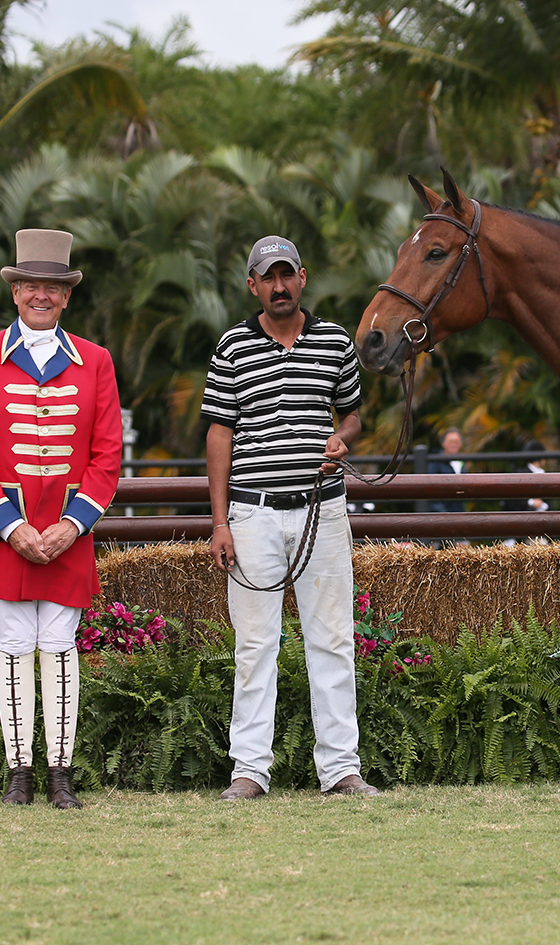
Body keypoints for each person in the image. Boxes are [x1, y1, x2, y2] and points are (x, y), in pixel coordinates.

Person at [0, 229, 122, 809]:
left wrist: (72, 525)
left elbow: (107, 454)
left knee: (60, 642)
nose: (40, 295)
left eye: (52, 287)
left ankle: (60, 775)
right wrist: (12, 527)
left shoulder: (95, 361)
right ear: (15, 292)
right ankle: (19, 773)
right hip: (5, 530)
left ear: (67, 296)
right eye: (30, 285)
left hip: (69, 530)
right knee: (15, 643)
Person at [203, 234, 379, 800]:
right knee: (255, 645)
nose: (278, 286)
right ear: (252, 285)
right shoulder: (232, 346)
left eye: (287, 275)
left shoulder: (334, 342)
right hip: (251, 514)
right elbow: (218, 433)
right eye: (267, 277)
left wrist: (340, 438)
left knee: (332, 639)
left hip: (322, 510)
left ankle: (341, 769)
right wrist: (219, 521)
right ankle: (249, 771)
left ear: (303, 277)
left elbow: (354, 415)